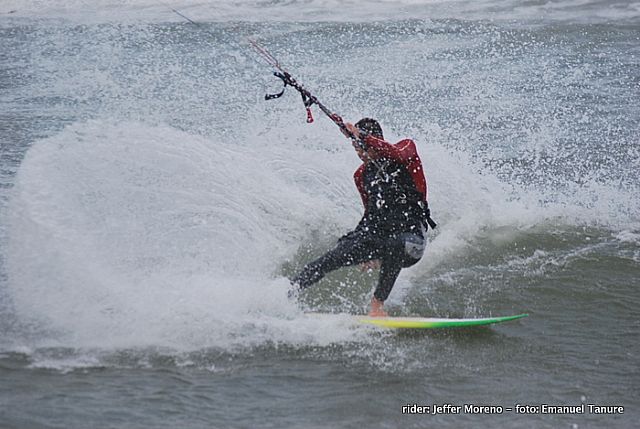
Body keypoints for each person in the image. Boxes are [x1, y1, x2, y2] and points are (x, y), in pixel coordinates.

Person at [290, 118, 435, 317]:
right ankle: (284, 295)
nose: (359, 152)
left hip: (412, 240)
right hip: (381, 235)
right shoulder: (362, 175)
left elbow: (396, 153)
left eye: (362, 146)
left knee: (396, 244)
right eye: (356, 146)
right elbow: (371, 215)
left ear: (377, 140)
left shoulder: (405, 152)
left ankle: (377, 306)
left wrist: (361, 136)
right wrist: (359, 241)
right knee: (331, 258)